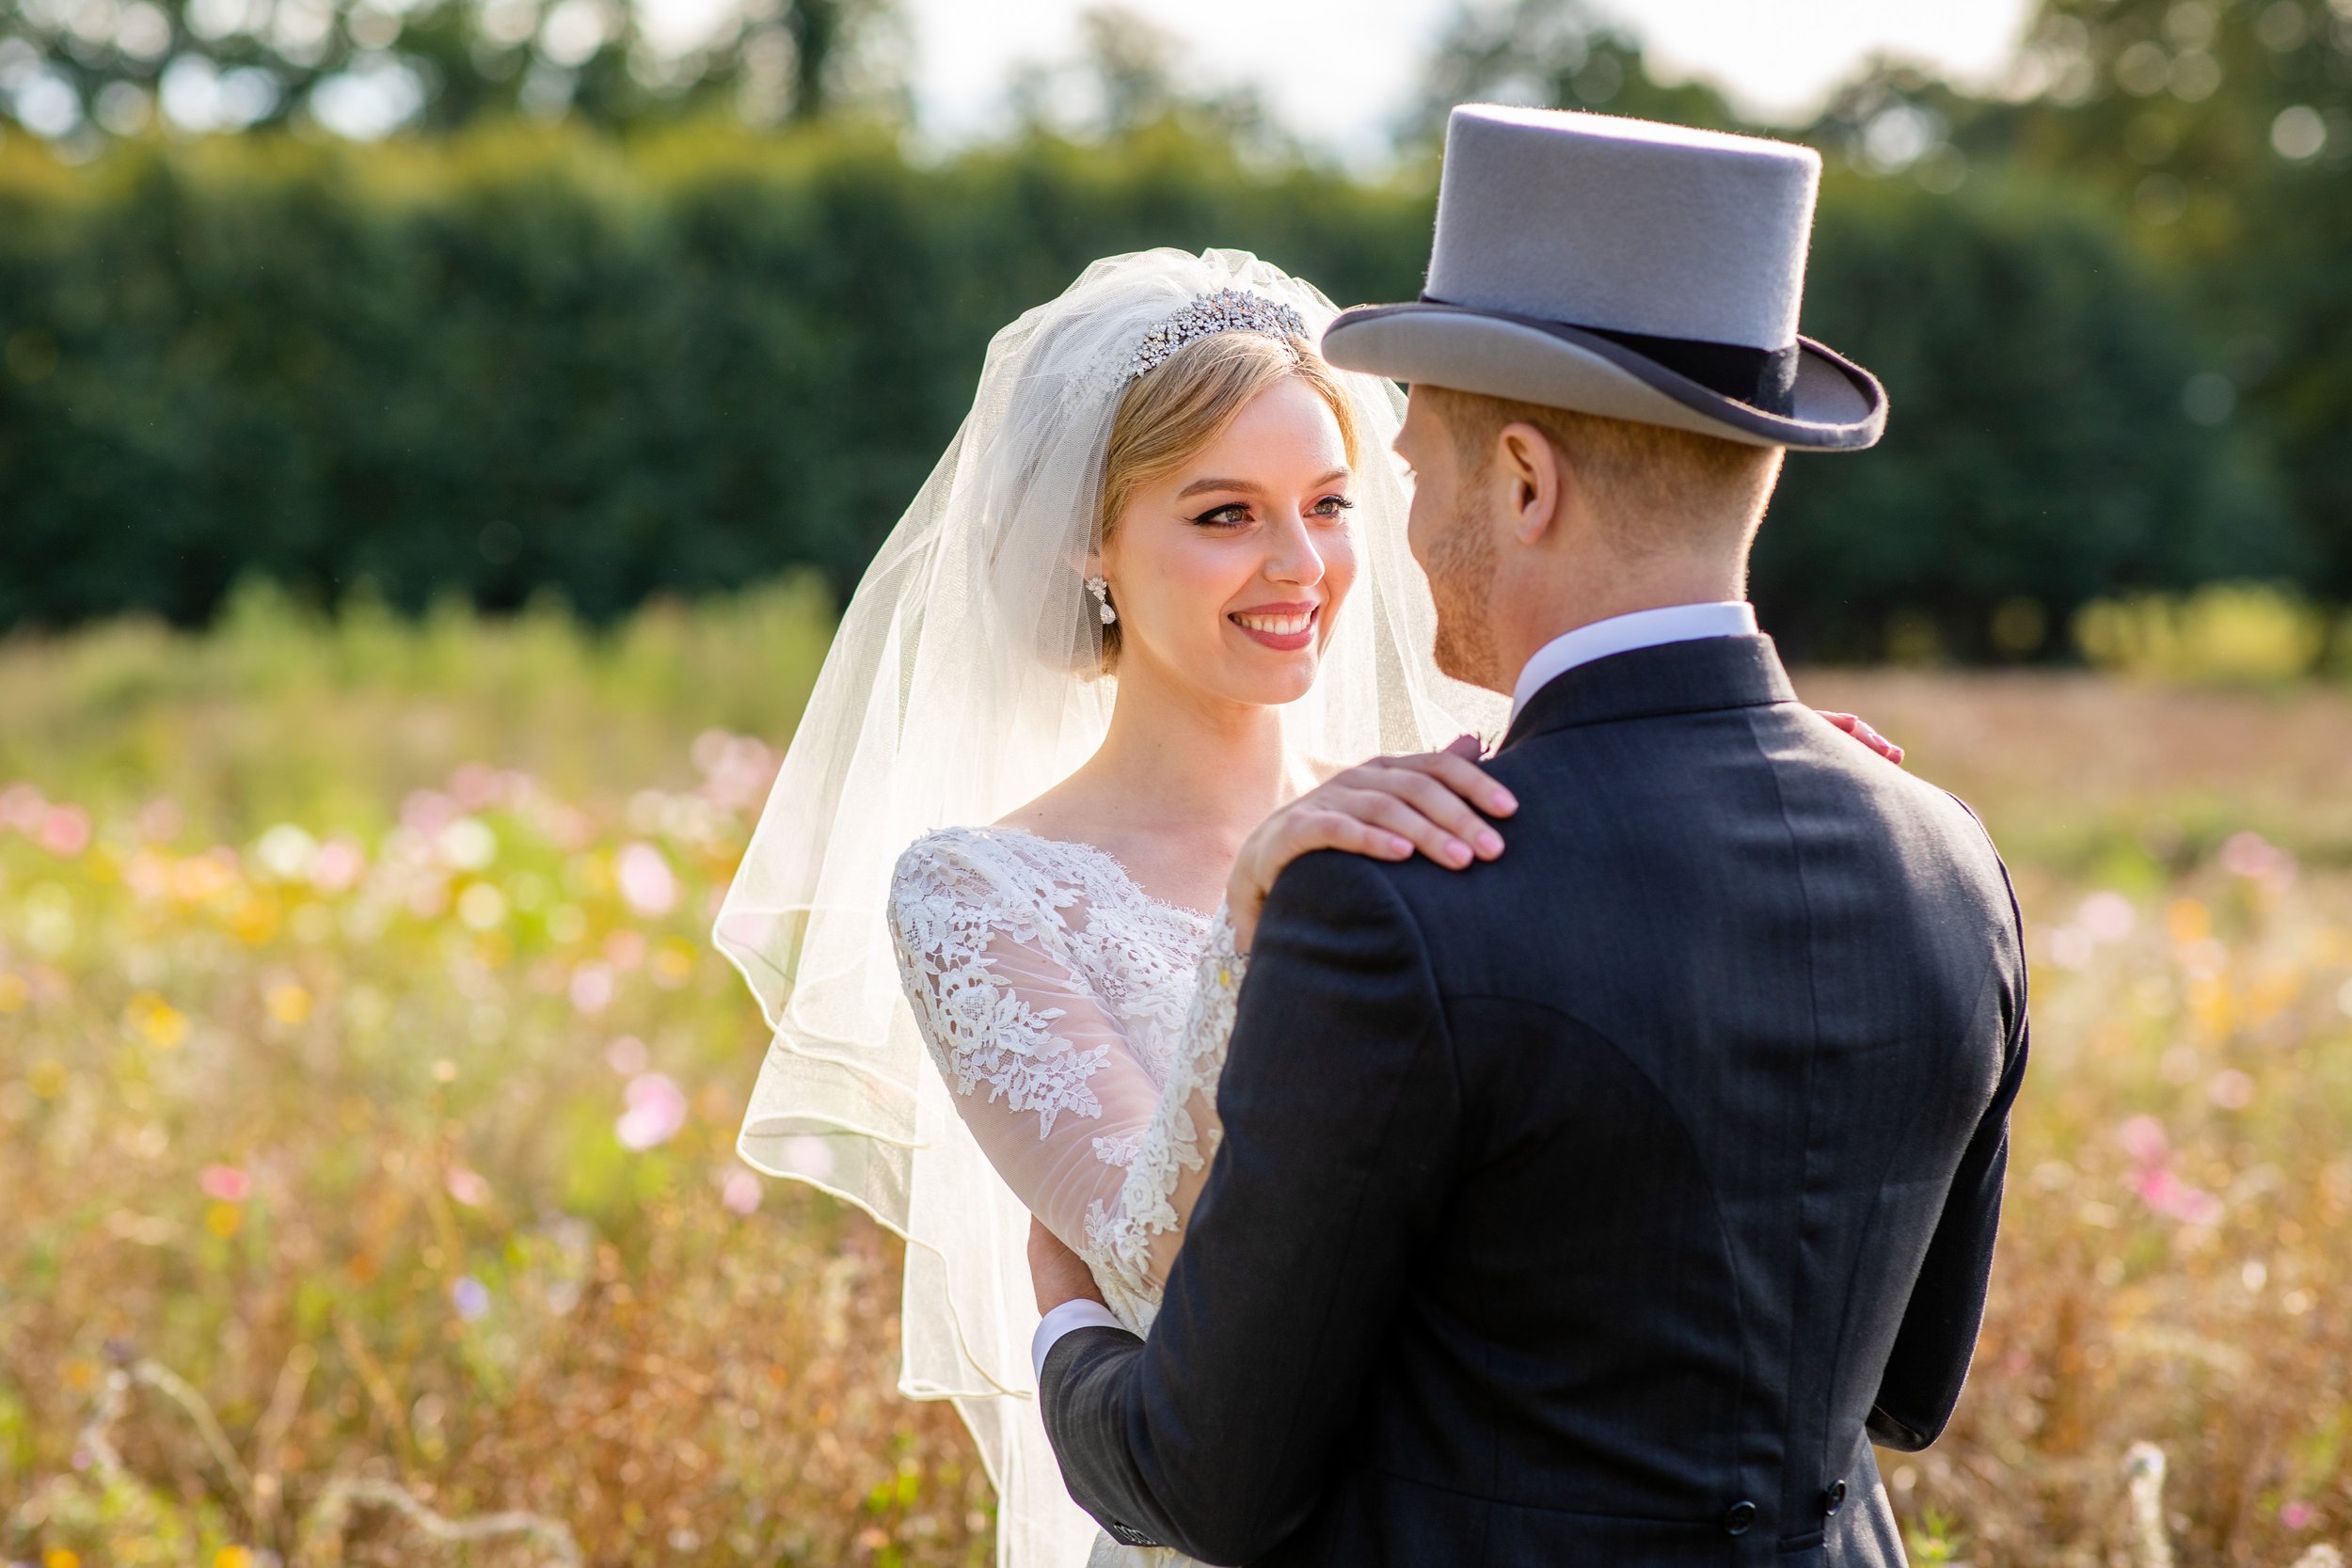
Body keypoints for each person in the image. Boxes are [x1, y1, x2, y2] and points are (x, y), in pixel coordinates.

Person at [718, 240, 1901, 1568]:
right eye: (1224, 515)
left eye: (1330, 504)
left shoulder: (1453, 796)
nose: (1301, 565)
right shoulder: (976, 896)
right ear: (1089, 545)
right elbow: (1156, 1269)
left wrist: (1737, 783)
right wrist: (1247, 928)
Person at [1025, 107, 2027, 1568]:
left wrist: (1065, 1320)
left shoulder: (1399, 899)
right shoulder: (1947, 857)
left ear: (1525, 481)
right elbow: (1909, 1388)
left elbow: (1208, 1486)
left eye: (1411, 473)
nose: (1401, 534)